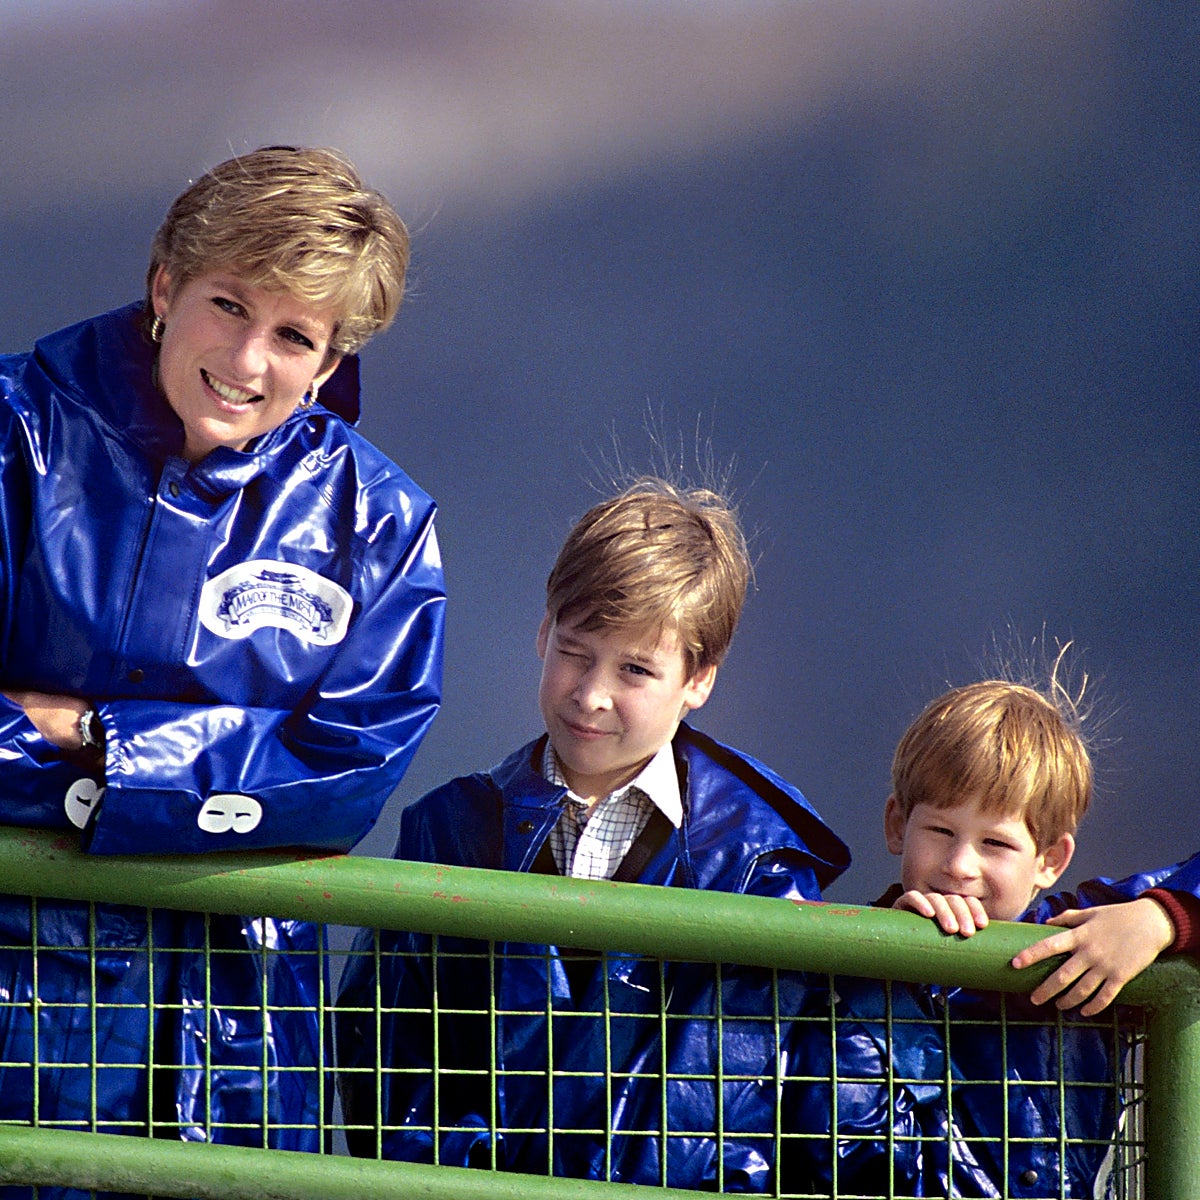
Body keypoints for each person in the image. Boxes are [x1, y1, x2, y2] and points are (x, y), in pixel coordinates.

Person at [0, 146, 445, 1191]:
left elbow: (350, 773)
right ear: (164, 286)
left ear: (332, 362)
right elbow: (288, 772)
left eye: (293, 336)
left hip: (238, 1054)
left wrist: (102, 744)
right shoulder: (17, 434)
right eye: (228, 306)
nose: (249, 361)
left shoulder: (377, 521)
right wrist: (226, 775)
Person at [336, 476, 851, 1191]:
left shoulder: (759, 862)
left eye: (636, 669)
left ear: (699, 679)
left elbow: (766, 1091)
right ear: (543, 631)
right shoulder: (449, 828)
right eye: (576, 651)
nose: (592, 694)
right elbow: (385, 1060)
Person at [786, 673, 1200, 1198]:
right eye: (940, 831)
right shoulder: (834, 959)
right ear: (897, 825)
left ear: (1050, 860)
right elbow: (833, 1151)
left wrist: (1162, 918)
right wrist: (886, 970)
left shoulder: (1074, 935)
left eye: (995, 844)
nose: (960, 866)